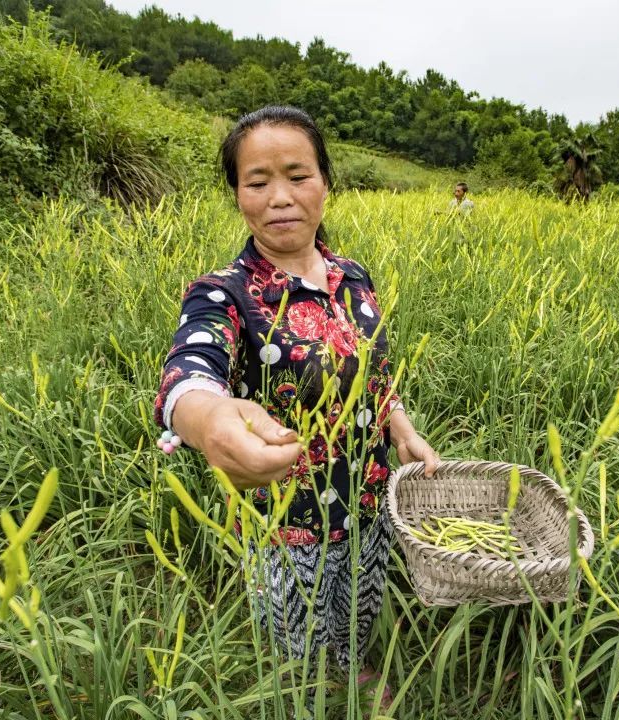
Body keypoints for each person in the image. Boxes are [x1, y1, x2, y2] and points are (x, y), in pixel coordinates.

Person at [153, 105, 438, 713]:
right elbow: (190, 368)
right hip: (285, 515)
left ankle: (352, 667)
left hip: (367, 494)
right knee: (294, 633)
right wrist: (207, 420)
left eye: (298, 175)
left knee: (359, 604)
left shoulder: (354, 278)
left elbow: (375, 375)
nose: (280, 197)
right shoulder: (222, 293)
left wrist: (403, 428)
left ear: (325, 183)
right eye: (257, 182)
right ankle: (308, 692)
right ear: (237, 195)